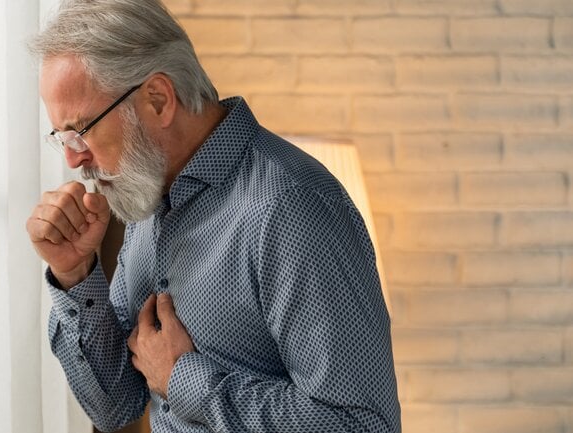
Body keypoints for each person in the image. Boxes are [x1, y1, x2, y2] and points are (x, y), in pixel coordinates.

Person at [25, 0, 401, 432]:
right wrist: (74, 273)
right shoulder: (147, 198)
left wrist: (183, 377)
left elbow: (361, 424)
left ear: (158, 99)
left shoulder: (292, 209)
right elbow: (117, 405)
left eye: (82, 130)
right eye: (64, 138)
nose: (74, 160)